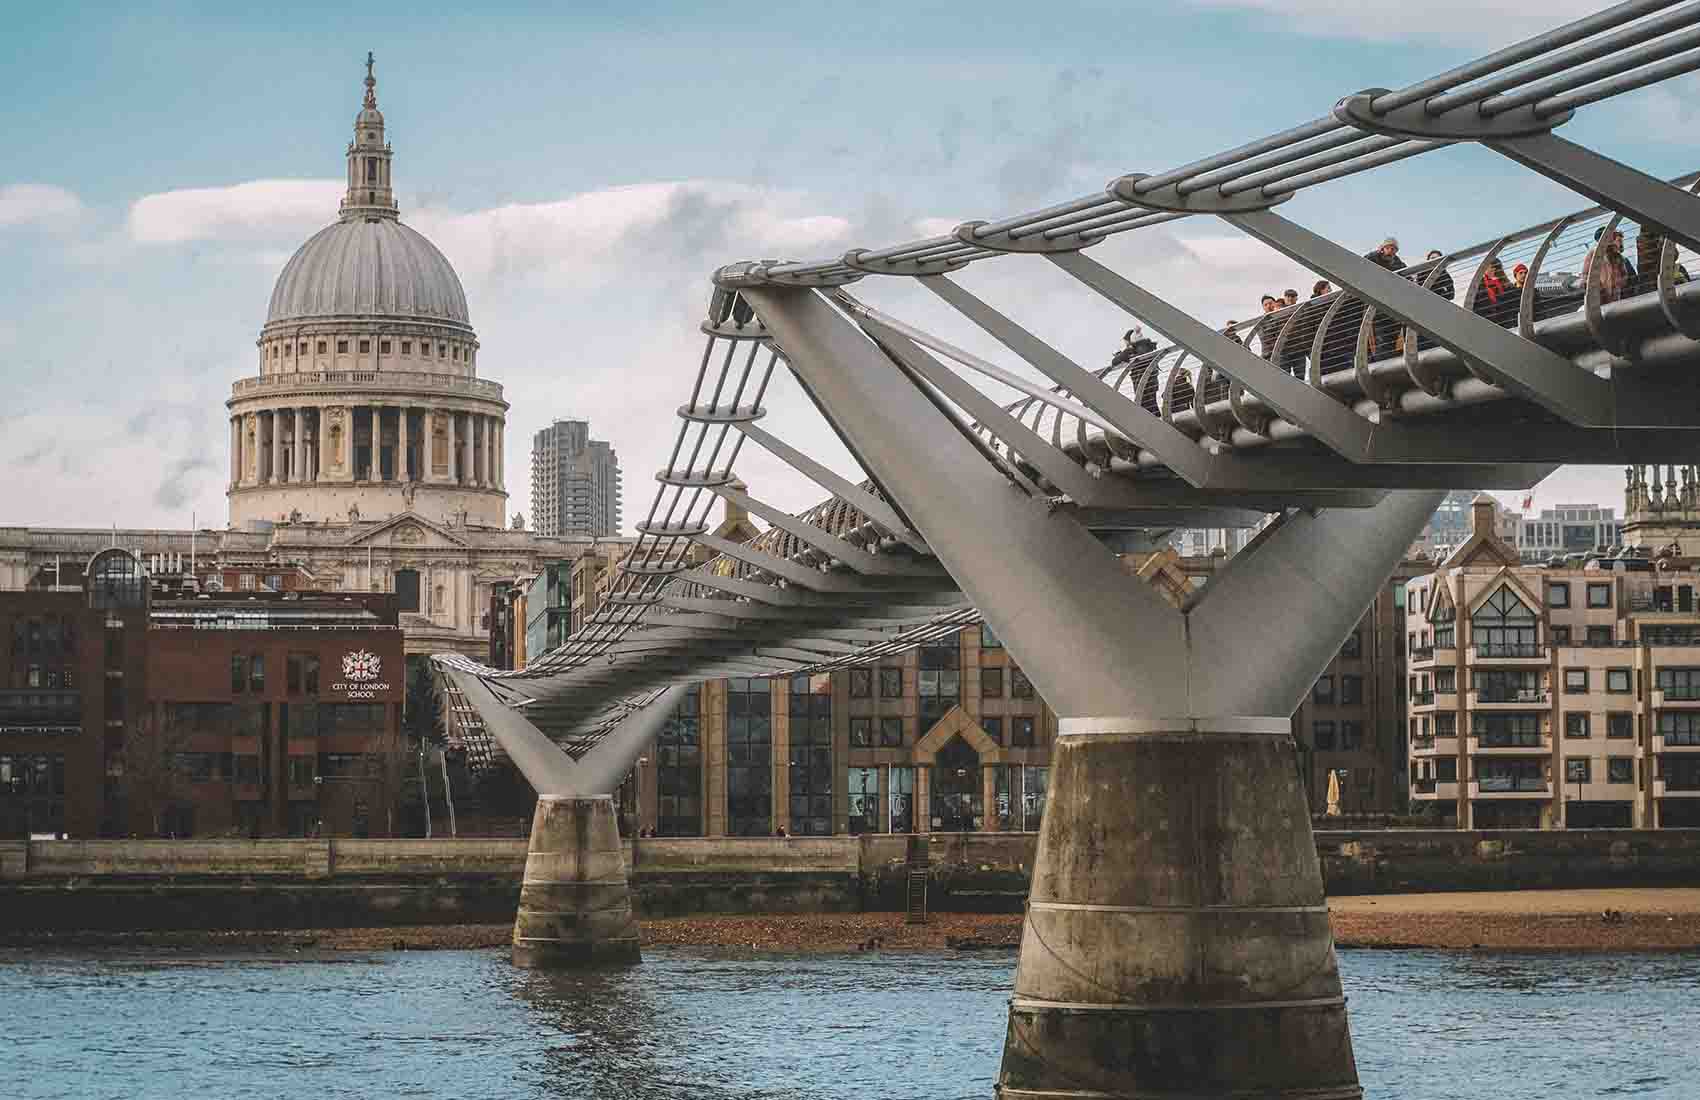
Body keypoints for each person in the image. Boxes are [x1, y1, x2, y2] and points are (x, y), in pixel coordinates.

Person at [1582, 226, 1631, 304]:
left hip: (1616, 299)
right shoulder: (1593, 255)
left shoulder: (1618, 256)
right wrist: (1598, 288)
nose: (1614, 240)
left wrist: (1618, 284)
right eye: (1613, 237)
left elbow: (1624, 275)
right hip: (1600, 300)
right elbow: (1585, 277)